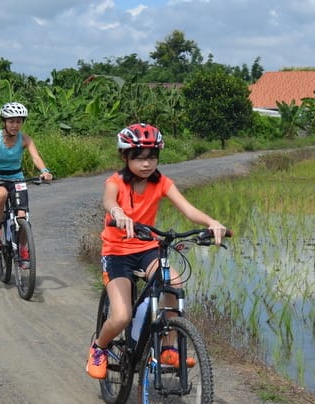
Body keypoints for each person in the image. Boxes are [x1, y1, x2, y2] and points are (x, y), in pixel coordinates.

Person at [86, 123, 227, 379]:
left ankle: (168, 347)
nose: (146, 163)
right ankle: (99, 347)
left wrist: (211, 222)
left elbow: (188, 208)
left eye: (151, 157)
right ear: (125, 157)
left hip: (148, 249)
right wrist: (118, 212)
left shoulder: (161, 182)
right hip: (117, 253)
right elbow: (108, 201)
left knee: (173, 283)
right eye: (139, 157)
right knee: (121, 316)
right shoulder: (115, 182)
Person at [0, 102, 53, 258]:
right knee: (1, 194)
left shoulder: (25, 139)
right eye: (11, 121)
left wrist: (44, 171)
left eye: (18, 121)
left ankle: (23, 248)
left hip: (17, 180)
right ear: (4, 122)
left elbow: (36, 157)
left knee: (22, 216)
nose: (15, 125)